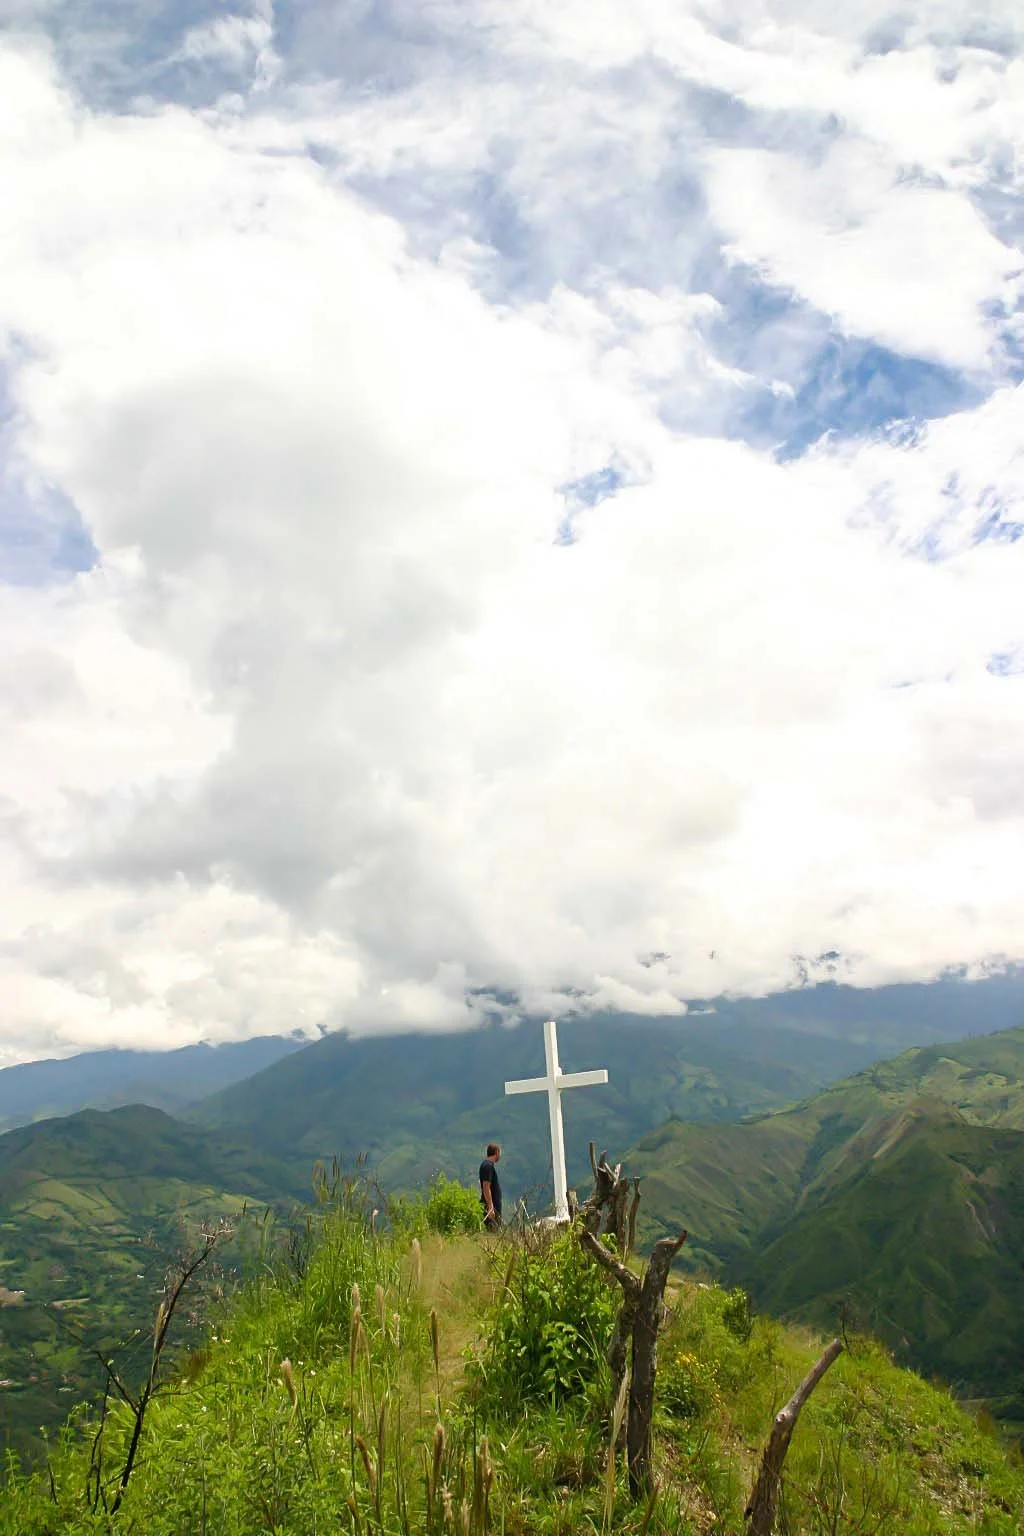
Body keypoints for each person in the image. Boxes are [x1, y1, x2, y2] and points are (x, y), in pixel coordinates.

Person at [479, 1142, 502, 1230]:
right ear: (496, 1152)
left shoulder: (487, 1165)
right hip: (492, 1207)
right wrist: (490, 1206)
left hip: (493, 1205)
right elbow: (486, 1186)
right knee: (492, 1230)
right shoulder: (488, 1166)